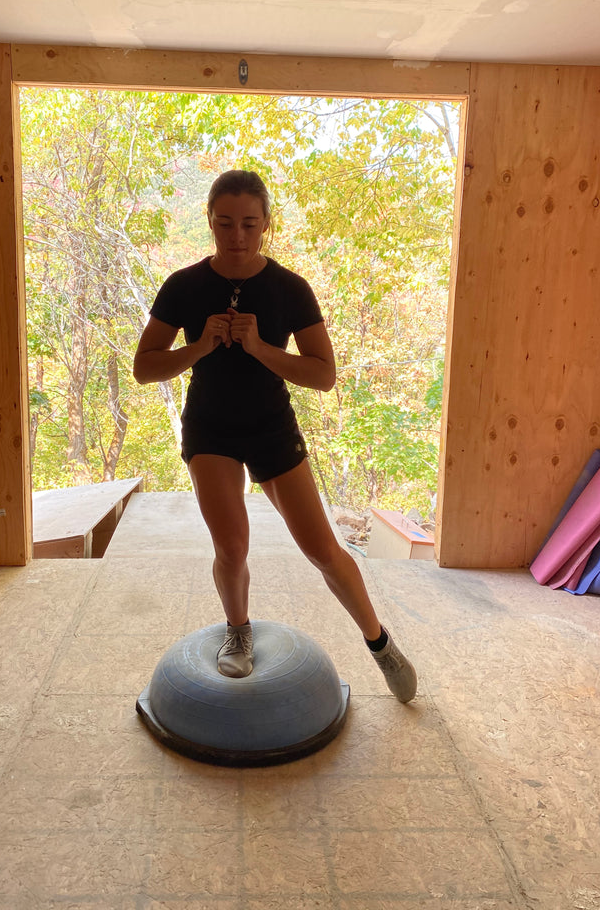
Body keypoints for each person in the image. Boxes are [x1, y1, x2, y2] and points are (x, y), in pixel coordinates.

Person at [133, 170, 417, 703]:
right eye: (224, 223)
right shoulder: (184, 286)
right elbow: (144, 367)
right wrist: (200, 346)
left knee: (322, 549)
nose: (237, 235)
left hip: (271, 427)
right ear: (209, 221)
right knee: (231, 546)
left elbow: (324, 375)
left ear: (266, 223)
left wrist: (261, 347)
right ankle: (238, 630)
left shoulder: (289, 289)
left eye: (249, 223)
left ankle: (380, 644)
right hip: (210, 428)